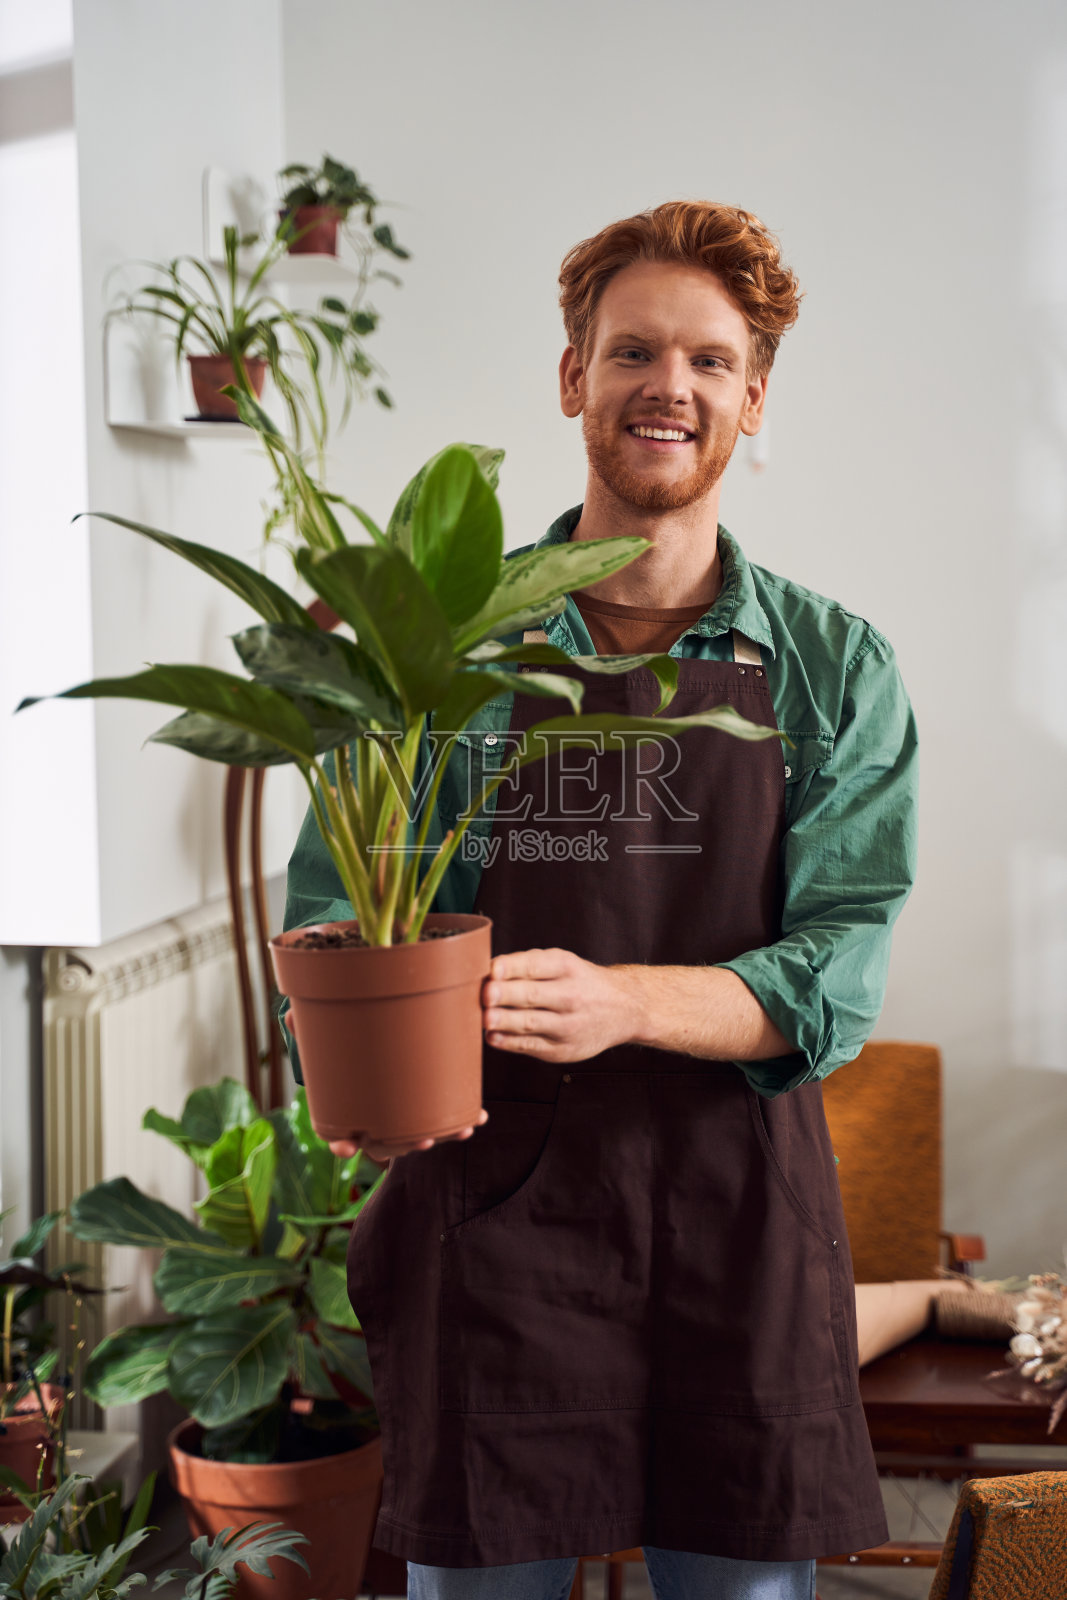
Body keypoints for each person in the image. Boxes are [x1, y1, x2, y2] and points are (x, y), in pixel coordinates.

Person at [282, 201, 918, 1600]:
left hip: (738, 1224)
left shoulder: (830, 668)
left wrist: (622, 999)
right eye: (634, 351)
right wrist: (360, 1072)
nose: (668, 389)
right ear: (575, 376)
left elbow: (840, 969)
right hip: (493, 1214)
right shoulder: (445, 643)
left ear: (754, 399)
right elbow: (349, 911)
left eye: (707, 361)